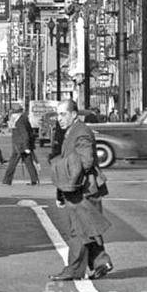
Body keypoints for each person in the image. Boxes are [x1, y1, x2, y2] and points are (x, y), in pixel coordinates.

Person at [48, 99, 113, 281]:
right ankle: (101, 262)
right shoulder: (71, 132)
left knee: (78, 230)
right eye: (58, 115)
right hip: (79, 188)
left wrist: (61, 168)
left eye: (63, 114)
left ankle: (74, 270)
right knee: (86, 228)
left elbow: (86, 160)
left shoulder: (81, 132)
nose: (59, 119)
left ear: (74, 114)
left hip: (83, 189)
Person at [1, 102, 39, 185]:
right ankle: (34, 179)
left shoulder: (20, 121)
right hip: (21, 145)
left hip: (20, 146)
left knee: (12, 163)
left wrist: (26, 147)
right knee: (28, 163)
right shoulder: (22, 119)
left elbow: (25, 134)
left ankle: (7, 180)